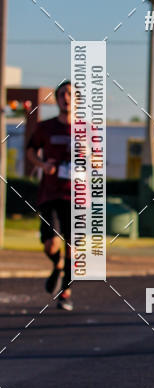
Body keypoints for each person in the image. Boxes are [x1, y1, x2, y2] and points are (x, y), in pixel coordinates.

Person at [26, 80, 73, 311]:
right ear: (56, 99)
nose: (67, 98)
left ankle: (65, 293)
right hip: (50, 194)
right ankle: (57, 266)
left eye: (72, 94)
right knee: (51, 245)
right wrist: (43, 165)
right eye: (63, 94)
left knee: (73, 246)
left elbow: (97, 160)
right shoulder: (46, 128)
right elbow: (30, 150)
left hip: (76, 196)